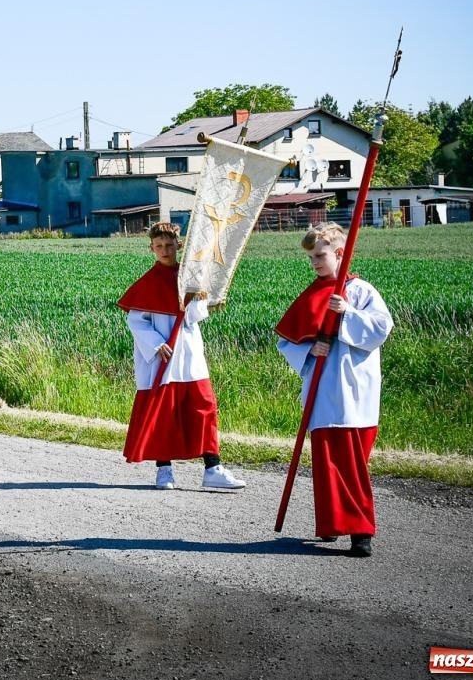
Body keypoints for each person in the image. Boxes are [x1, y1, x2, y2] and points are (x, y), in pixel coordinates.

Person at [276, 222, 393, 558]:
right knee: (329, 461)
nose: (314, 262)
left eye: (319, 256)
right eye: (311, 257)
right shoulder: (312, 294)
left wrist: (346, 315)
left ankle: (351, 526)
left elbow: (381, 329)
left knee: (353, 462)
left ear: (339, 253)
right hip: (324, 392)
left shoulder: (361, 291)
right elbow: (287, 341)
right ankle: (346, 527)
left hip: (357, 391)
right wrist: (309, 350)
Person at [118, 222, 245, 491]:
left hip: (188, 354)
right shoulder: (147, 284)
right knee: (164, 413)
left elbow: (195, 317)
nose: (164, 250)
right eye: (158, 246)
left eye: (169, 245)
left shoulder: (189, 279)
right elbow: (137, 321)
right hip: (162, 358)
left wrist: (198, 296)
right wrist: (155, 344)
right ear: (151, 248)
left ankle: (213, 467)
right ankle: (164, 470)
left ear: (179, 245)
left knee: (203, 407)